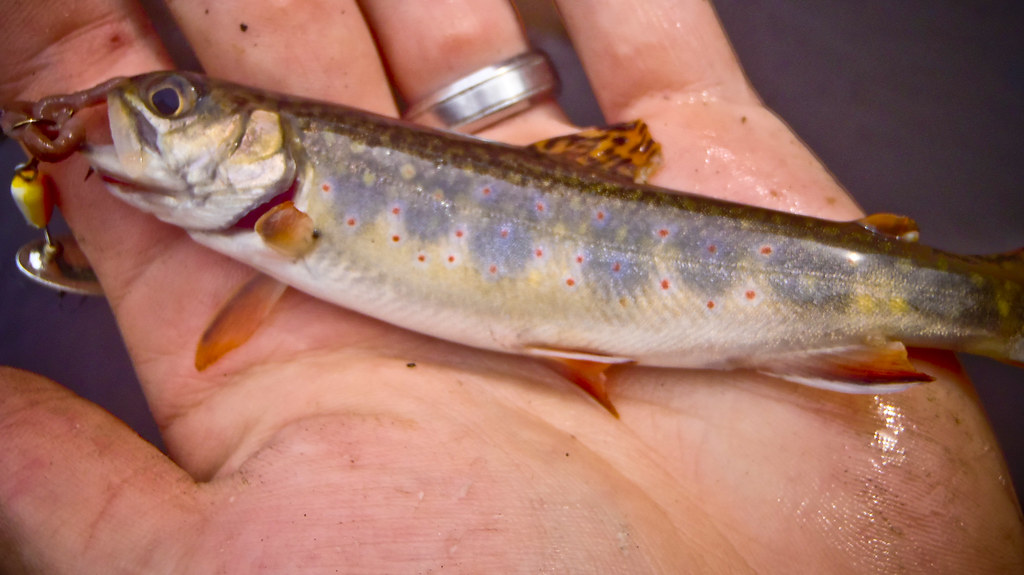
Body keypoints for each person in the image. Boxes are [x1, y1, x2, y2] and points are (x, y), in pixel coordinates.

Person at [1, 0, 1021, 572]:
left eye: (173, 103)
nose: (146, 113)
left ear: (270, 149)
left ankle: (988, 301)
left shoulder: (282, 224)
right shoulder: (270, 231)